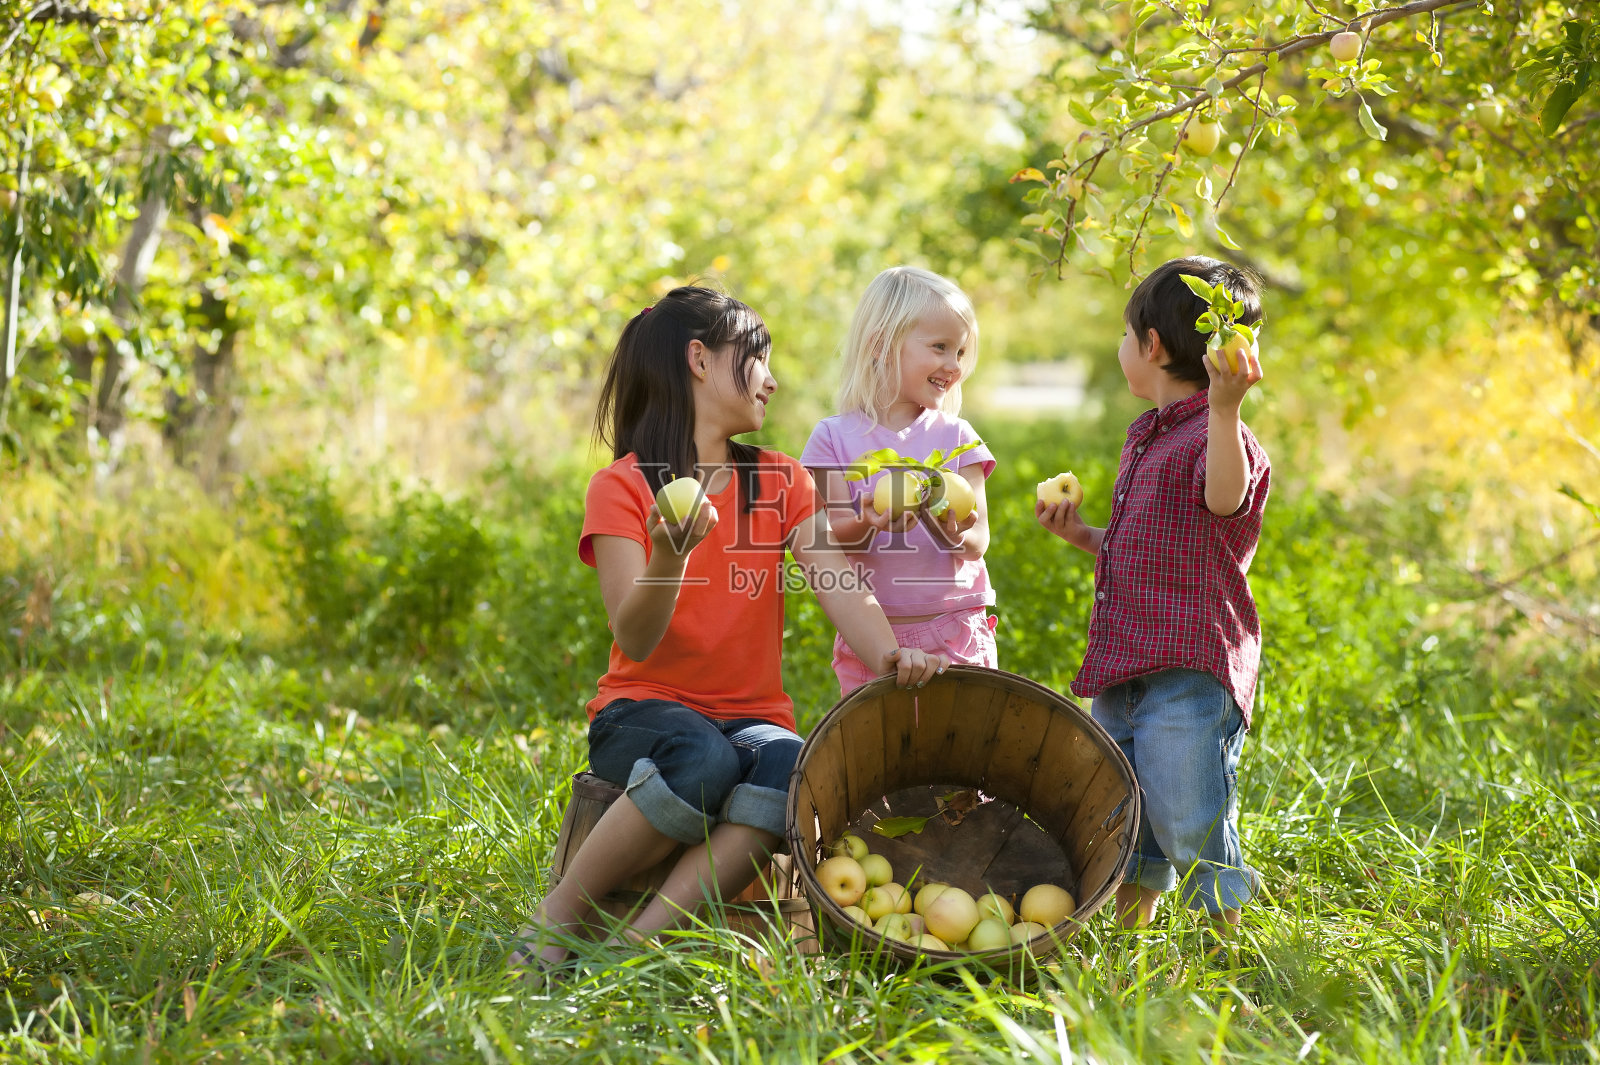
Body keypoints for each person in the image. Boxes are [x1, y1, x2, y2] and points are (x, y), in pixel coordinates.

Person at [508, 286, 948, 972]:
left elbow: (838, 581)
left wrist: (894, 654)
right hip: (641, 713)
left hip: (749, 717)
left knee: (791, 765)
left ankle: (636, 945)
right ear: (700, 360)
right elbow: (636, 634)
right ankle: (558, 913)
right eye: (758, 358)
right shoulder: (622, 486)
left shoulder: (779, 479)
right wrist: (668, 557)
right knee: (704, 759)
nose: (773, 378)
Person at [1036, 256, 1269, 936]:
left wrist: (1226, 411)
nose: (1121, 349)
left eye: (1124, 335)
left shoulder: (1221, 436)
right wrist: (1085, 535)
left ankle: (1233, 947)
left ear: (1153, 347)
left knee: (1188, 815)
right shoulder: (1148, 435)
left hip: (1188, 673)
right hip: (1125, 664)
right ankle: (1128, 938)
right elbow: (1152, 541)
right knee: (1123, 811)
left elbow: (1222, 501)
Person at [801, 266, 997, 695]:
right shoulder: (833, 438)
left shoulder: (957, 437)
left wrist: (937, 519)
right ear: (881, 346)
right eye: (940, 347)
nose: (954, 365)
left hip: (955, 629)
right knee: (883, 753)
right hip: (874, 638)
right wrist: (869, 519)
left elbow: (977, 541)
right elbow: (829, 543)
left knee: (964, 750)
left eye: (961, 352)